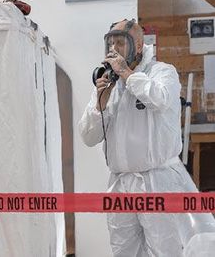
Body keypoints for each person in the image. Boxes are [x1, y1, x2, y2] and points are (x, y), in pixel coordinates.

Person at [79, 19, 215, 256]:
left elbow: (159, 98)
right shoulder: (107, 84)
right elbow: (89, 137)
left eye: (120, 42)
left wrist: (127, 75)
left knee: (166, 248)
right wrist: (99, 104)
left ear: (139, 45)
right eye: (111, 43)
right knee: (124, 250)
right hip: (121, 184)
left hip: (159, 182)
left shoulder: (162, 72)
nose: (114, 49)